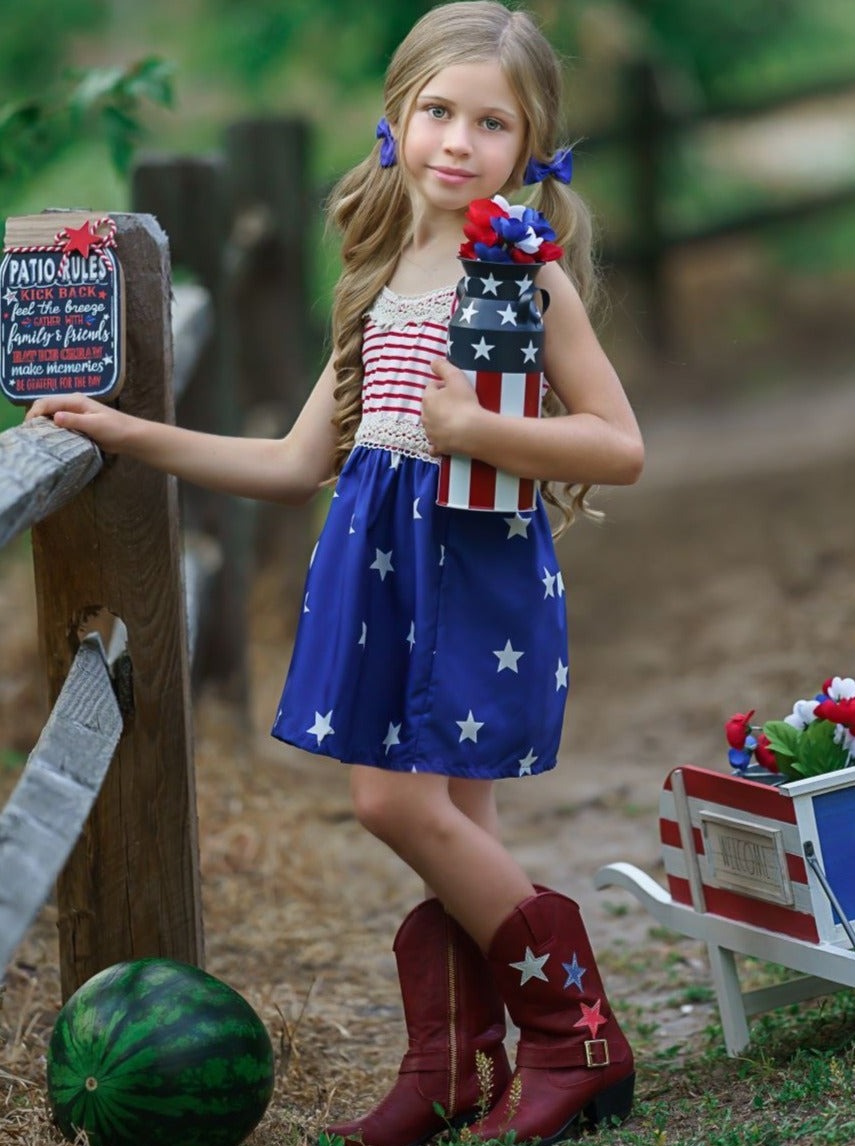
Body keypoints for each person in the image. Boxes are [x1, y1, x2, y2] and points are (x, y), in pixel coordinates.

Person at [27, 2, 644, 1143]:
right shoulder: (378, 273)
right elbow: (293, 460)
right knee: (456, 823)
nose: (458, 142)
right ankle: (455, 1066)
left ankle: (576, 1038)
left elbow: (621, 443)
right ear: (396, 121)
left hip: (473, 572)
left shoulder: (524, 275)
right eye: (437, 112)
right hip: (380, 576)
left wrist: (476, 429)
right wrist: (127, 433)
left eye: (492, 123)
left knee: (390, 800)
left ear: (530, 145)